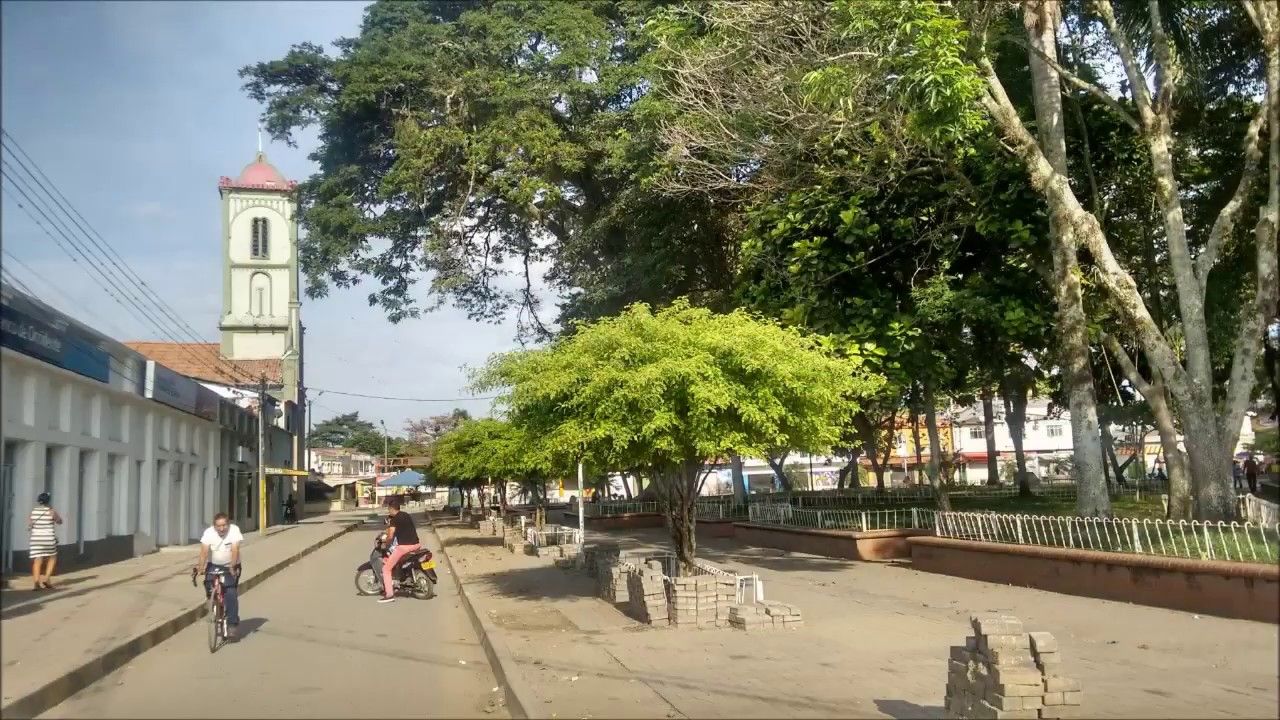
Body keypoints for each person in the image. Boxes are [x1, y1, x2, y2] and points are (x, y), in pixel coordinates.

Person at [195, 512, 243, 638]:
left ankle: (232, 623)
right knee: (208, 583)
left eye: (224, 525)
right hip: (214, 564)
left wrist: (232, 566)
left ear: (228, 524)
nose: (222, 529)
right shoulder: (208, 533)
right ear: (214, 526)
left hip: (231, 565)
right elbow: (204, 552)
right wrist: (200, 568)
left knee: (230, 593)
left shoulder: (234, 531)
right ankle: (214, 603)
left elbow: (235, 550)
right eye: (218, 526)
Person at [377, 496, 420, 604]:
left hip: (404, 547)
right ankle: (400, 579)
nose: (388, 511)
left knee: (386, 569)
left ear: (391, 509)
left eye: (388, 509)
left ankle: (389, 595)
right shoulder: (406, 515)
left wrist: (386, 545)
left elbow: (390, 535)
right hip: (416, 545)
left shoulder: (394, 519)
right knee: (397, 561)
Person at [28, 492, 62, 590]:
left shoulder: (33, 511)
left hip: (36, 539)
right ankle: (47, 578)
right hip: (48, 539)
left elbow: (30, 523)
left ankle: (36, 583)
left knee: (37, 560)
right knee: (52, 557)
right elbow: (59, 521)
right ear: (48, 501)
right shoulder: (51, 511)